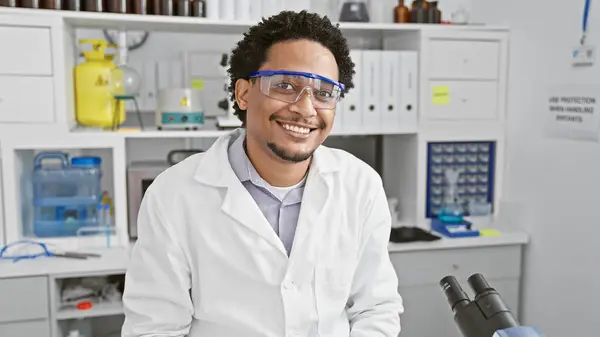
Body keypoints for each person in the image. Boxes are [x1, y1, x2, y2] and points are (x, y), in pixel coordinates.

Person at [121, 10, 404, 337]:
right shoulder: (173, 195)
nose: (306, 108)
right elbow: (155, 329)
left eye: (324, 93)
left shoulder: (361, 186)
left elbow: (376, 308)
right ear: (243, 94)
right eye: (285, 85)